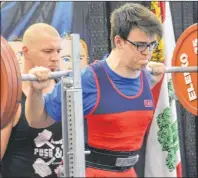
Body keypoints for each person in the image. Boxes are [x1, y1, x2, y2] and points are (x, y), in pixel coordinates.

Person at [25, 3, 166, 177]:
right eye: (140, 45)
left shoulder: (148, 76)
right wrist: (36, 91)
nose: (147, 53)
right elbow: (37, 120)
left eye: (152, 45)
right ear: (119, 41)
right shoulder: (88, 79)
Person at [1, 23, 63, 178]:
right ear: (26, 51)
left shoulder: (66, 90)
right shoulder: (10, 97)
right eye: (48, 51)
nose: (55, 58)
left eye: (58, 51)